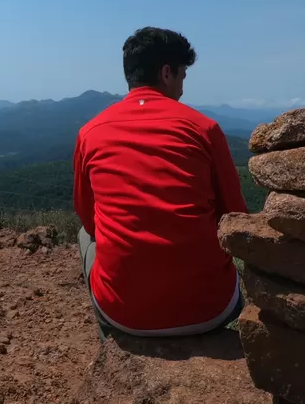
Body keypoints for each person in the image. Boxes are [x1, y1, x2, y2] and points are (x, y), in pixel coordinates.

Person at [74, 27, 247, 337]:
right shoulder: (204, 129)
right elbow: (236, 217)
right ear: (167, 73)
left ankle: (112, 343)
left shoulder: (90, 133)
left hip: (123, 313)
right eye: (182, 76)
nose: (182, 88)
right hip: (210, 308)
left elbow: (89, 220)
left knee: (85, 238)